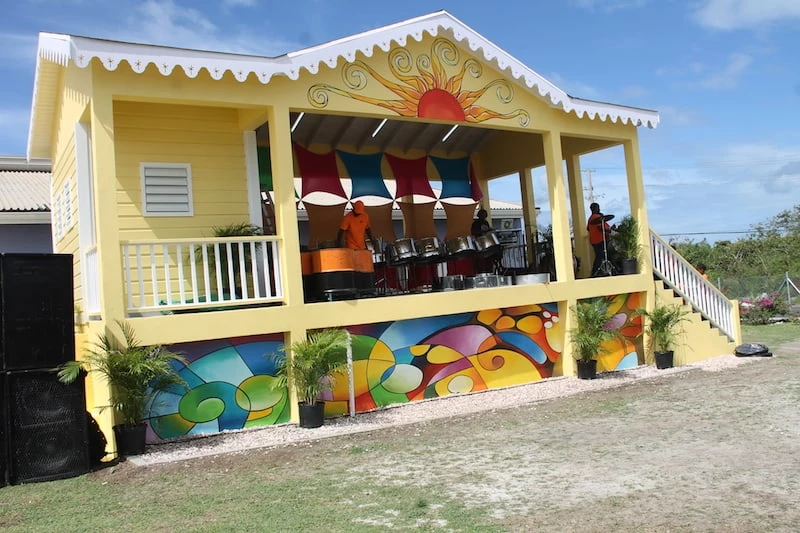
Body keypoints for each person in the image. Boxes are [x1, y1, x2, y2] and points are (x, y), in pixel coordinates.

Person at [587, 202, 615, 276]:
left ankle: (597, 271)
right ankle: (595, 271)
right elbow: (601, 228)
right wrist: (609, 230)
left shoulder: (591, 218)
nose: (599, 209)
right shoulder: (596, 217)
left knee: (601, 256)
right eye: (598, 208)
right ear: (595, 209)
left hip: (594, 240)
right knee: (600, 257)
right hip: (599, 240)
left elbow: (588, 228)